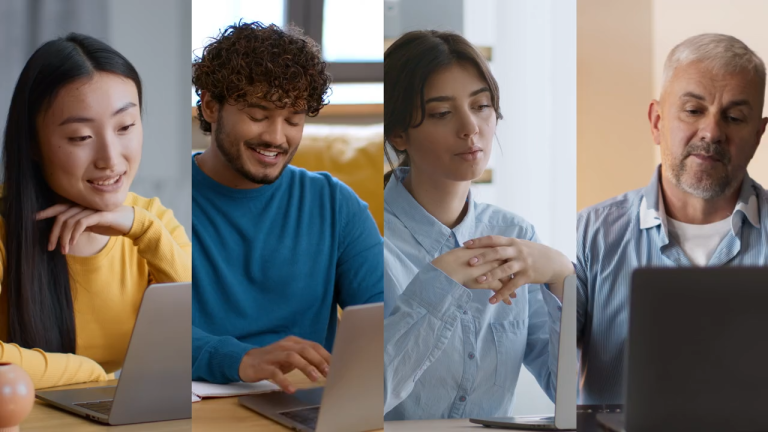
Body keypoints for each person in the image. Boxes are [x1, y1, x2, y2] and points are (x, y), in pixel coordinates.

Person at [383, 30, 574, 420]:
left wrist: (562, 277)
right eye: (441, 113)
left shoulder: (516, 236)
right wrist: (439, 284)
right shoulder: (366, 237)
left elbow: (575, 395)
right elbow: (360, 403)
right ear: (398, 132)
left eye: (482, 106)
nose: (470, 128)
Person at [191, 21, 383, 391]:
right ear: (211, 105)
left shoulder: (335, 205)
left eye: (293, 120)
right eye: (258, 116)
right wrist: (239, 358)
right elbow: (143, 331)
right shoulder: (168, 206)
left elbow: (383, 320)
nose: (277, 138)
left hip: (303, 404)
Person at [577, 33, 768, 404]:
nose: (712, 132)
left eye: (734, 117)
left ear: (759, 136)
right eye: (694, 110)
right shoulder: (587, 237)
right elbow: (549, 367)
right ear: (656, 121)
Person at [0, 33, 191, 389]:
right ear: (33, 145)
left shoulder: (150, 223)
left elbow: (207, 325)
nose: (111, 159)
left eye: (125, 127)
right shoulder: (4, 228)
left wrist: (145, 231)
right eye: (80, 137)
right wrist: (87, 374)